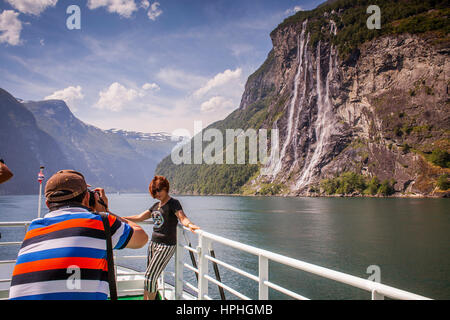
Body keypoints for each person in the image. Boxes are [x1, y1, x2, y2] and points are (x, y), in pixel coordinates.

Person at [9, 170, 148, 300]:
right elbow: (141, 238)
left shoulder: (33, 229)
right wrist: (106, 212)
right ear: (87, 198)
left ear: (47, 203)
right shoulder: (100, 222)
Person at [125, 175, 200, 300]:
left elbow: (182, 217)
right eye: (154, 191)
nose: (157, 193)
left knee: (150, 276)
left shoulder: (173, 203)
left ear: (166, 188)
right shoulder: (155, 206)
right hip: (153, 243)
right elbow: (139, 217)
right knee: (149, 277)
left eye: (159, 190)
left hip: (166, 245)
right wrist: (120, 218)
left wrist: (190, 224)